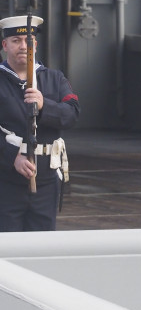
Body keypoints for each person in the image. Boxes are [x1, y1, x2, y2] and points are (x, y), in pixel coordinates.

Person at [0, 16, 79, 232]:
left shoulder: (54, 79)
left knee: (42, 243)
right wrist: (11, 155)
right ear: (4, 45)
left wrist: (45, 105)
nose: (23, 46)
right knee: (7, 246)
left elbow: (72, 114)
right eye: (16, 40)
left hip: (45, 179)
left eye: (28, 40)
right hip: (6, 179)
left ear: (35, 44)